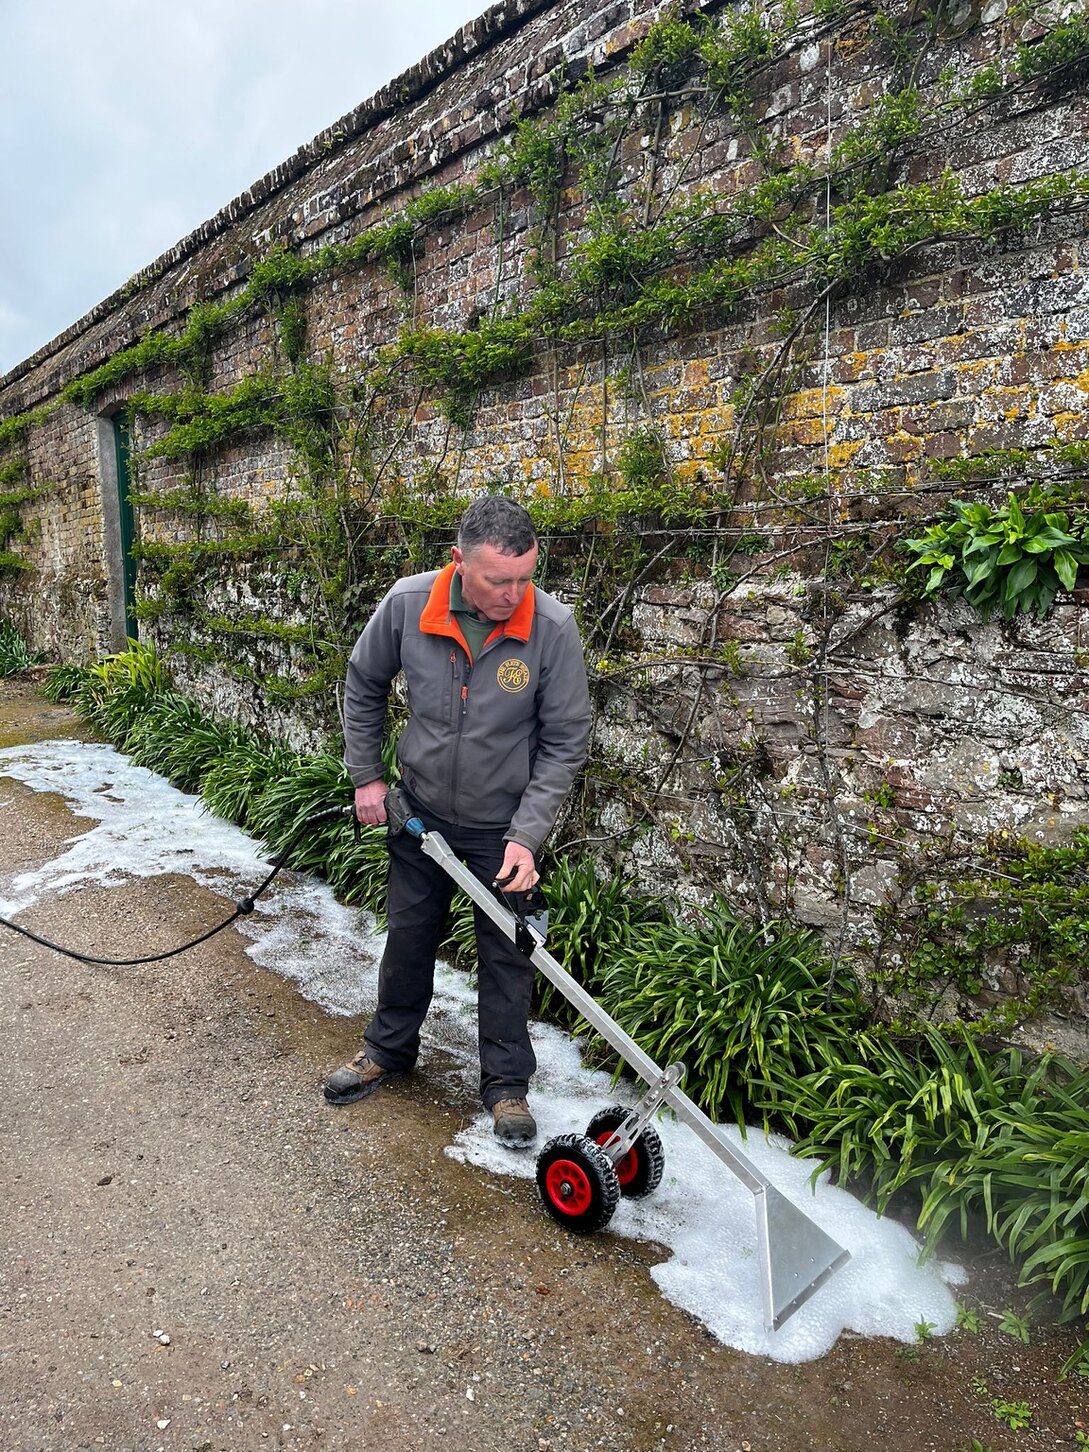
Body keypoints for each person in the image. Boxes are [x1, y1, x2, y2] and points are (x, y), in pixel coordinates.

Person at [324, 495, 591, 1148]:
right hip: (419, 818)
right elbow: (362, 684)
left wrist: (527, 838)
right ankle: (388, 1048)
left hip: (501, 830)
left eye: (525, 577)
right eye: (498, 580)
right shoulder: (409, 604)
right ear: (457, 564)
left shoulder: (550, 627)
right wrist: (368, 776)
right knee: (408, 937)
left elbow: (564, 742)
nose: (513, 593)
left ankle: (505, 1088)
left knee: (507, 955)